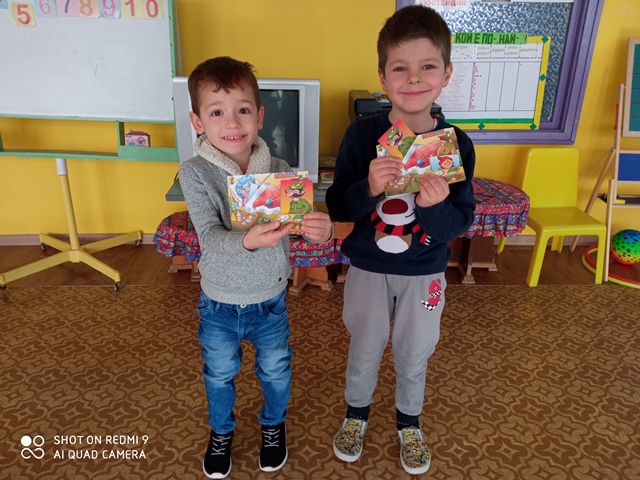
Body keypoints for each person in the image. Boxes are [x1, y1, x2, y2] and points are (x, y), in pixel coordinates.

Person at [325, 5, 476, 475]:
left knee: (415, 351)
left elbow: (458, 224)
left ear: (446, 74)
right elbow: (338, 207)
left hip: (424, 271)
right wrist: (368, 187)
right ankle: (356, 414)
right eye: (400, 68)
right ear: (382, 76)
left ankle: (409, 421)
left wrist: (434, 207)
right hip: (368, 267)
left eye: (427, 66)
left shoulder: (456, 144)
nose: (413, 79)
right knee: (365, 346)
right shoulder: (361, 136)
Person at [179, 56, 333, 479]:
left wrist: (318, 229)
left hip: (270, 301)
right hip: (219, 303)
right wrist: (248, 240)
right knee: (219, 374)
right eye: (217, 112)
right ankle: (221, 432)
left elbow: (297, 227)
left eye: (243, 109)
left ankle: (273, 425)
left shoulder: (280, 171)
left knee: (276, 371)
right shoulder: (195, 173)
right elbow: (209, 237)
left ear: (260, 116)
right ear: (197, 122)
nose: (232, 122)